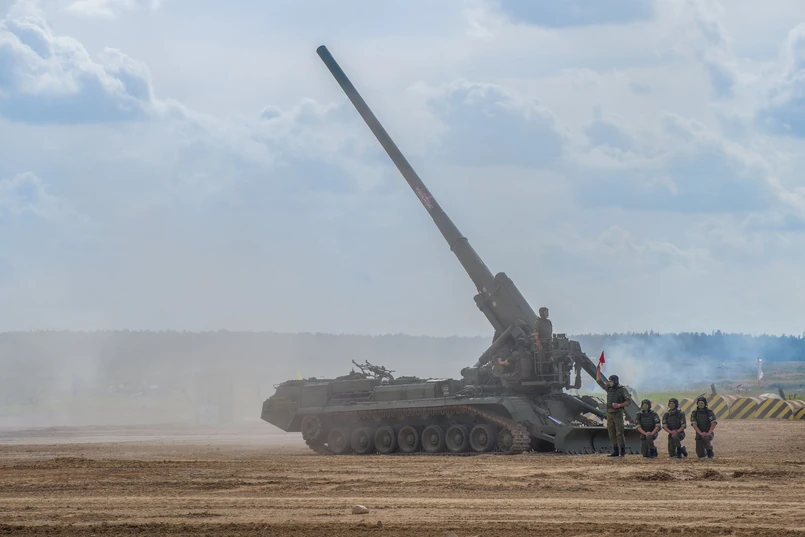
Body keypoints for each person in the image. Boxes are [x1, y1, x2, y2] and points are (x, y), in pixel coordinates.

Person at [596, 364, 631, 457]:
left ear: (615, 381)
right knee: (611, 433)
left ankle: (622, 451)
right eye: (609, 381)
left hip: (618, 413)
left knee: (619, 432)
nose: (610, 382)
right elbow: (599, 381)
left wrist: (619, 405)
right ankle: (615, 450)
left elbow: (628, 401)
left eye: (611, 381)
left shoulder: (622, 390)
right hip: (609, 413)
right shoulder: (609, 388)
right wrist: (598, 370)